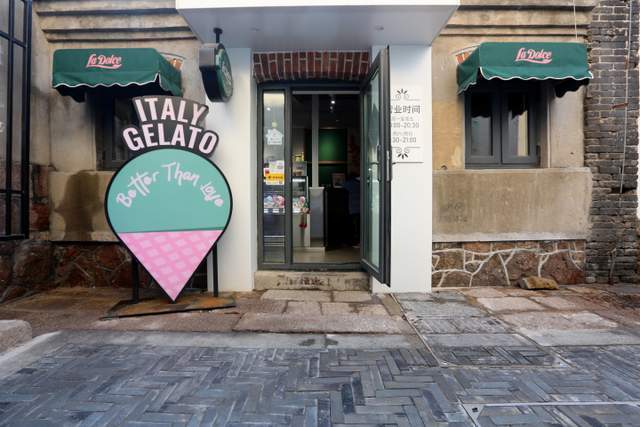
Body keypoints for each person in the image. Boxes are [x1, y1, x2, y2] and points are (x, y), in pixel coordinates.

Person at [343, 172, 360, 247]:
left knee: (353, 226)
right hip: (361, 208)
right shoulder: (360, 183)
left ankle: (354, 242)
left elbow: (340, 185)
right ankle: (358, 241)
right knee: (359, 226)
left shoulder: (349, 183)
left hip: (352, 208)